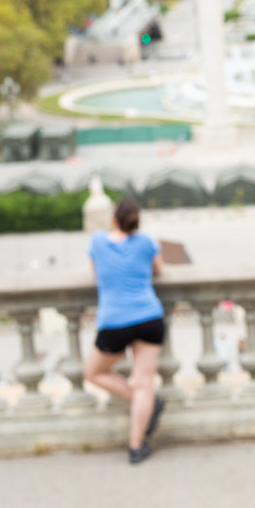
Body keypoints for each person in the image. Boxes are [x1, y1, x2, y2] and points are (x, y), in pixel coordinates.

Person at [85, 197, 167, 465]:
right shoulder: (145, 243)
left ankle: (145, 403)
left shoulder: (98, 241)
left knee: (94, 372)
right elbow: (159, 270)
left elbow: (96, 275)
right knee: (144, 384)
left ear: (113, 219)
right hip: (148, 316)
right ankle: (136, 446)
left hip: (115, 320)